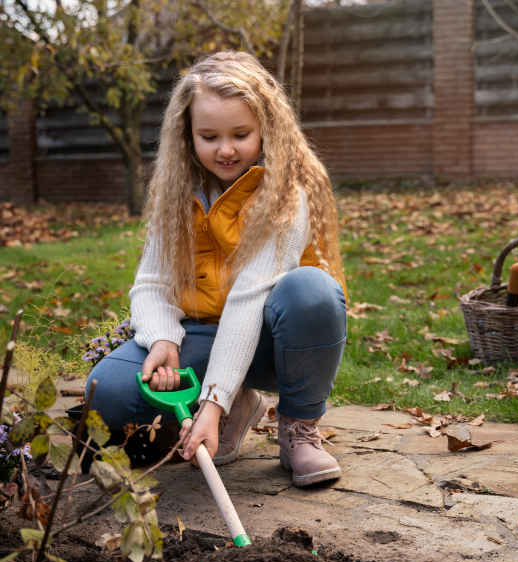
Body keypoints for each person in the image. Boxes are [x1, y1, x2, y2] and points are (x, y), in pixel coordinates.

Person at [87, 50, 348, 486]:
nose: (225, 150)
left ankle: (299, 428)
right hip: (202, 333)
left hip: (275, 340)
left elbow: (248, 298)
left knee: (312, 290)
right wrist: (163, 338)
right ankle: (240, 402)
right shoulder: (175, 191)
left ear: (267, 128)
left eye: (241, 134)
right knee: (109, 392)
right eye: (209, 136)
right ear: (188, 134)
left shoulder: (288, 194)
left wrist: (210, 404)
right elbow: (151, 282)